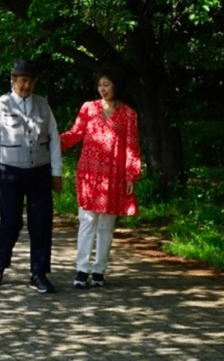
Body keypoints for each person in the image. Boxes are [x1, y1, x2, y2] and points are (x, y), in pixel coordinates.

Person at [0, 58, 62, 293]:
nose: (27, 85)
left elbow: (54, 139)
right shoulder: (0, 105)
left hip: (40, 172)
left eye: (31, 81)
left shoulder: (43, 105)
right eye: (23, 80)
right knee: (11, 222)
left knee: (42, 223)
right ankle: (0, 264)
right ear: (14, 80)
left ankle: (38, 273)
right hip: (10, 173)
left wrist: (57, 172)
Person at [60, 67, 141, 288]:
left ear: (116, 86)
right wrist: (52, 142)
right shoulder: (89, 108)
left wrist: (131, 175)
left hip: (114, 177)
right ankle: (81, 270)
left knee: (106, 225)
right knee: (86, 222)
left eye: (107, 84)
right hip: (89, 174)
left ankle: (99, 270)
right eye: (100, 85)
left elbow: (132, 147)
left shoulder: (128, 114)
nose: (102, 89)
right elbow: (75, 133)